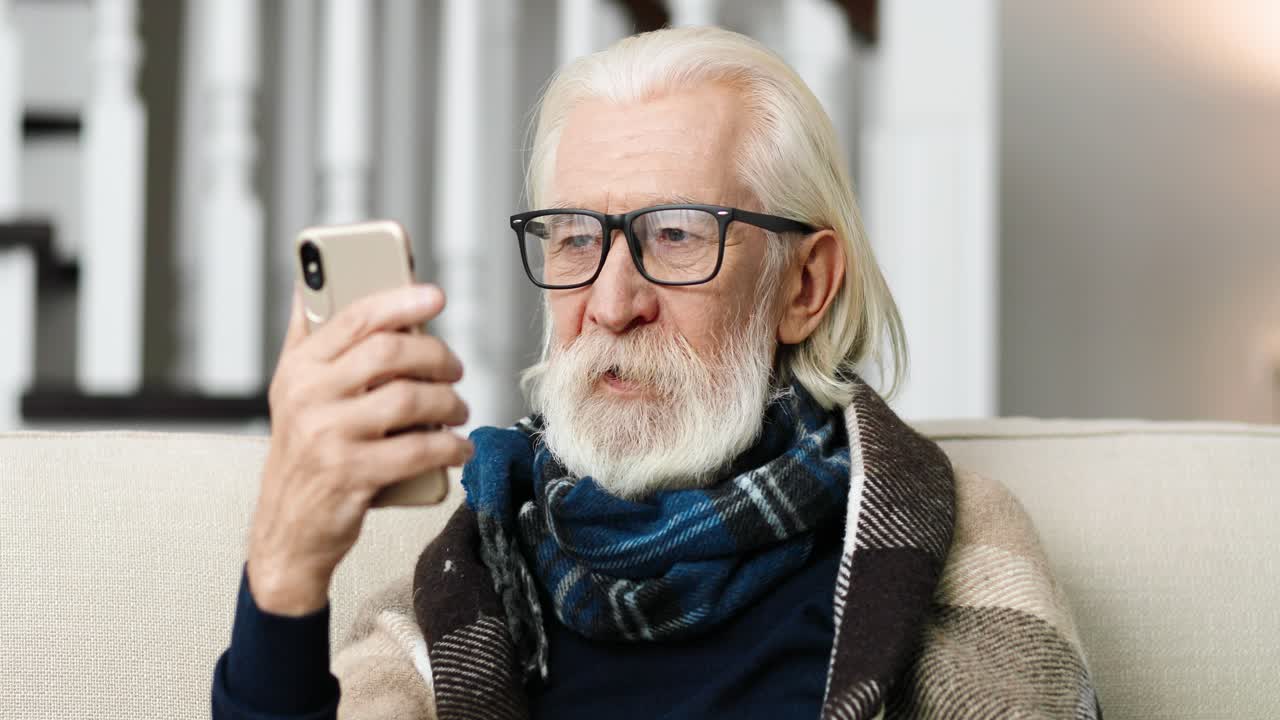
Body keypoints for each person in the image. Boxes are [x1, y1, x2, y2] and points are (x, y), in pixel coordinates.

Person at [212, 26, 1100, 720]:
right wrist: (286, 563)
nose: (609, 302)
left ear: (804, 286)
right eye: (575, 237)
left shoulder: (950, 545)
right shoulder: (470, 572)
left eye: (675, 235)